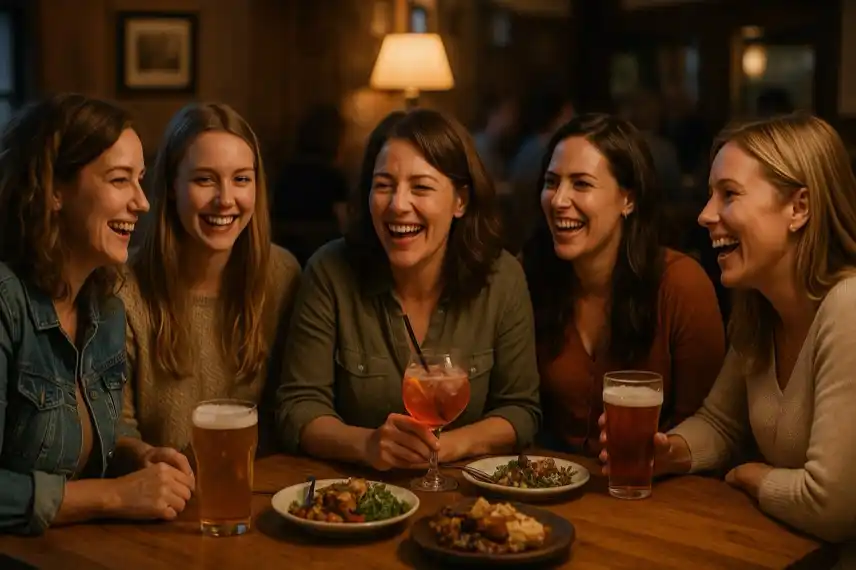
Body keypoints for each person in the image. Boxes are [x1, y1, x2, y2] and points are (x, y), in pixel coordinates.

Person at [600, 113, 856, 567]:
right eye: (709, 194)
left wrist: (752, 476)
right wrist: (670, 453)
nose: (705, 214)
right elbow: (721, 424)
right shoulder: (759, 307)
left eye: (729, 194)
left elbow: (831, 507)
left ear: (799, 208)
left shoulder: (849, 305)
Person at [276, 109, 541, 470]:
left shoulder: (502, 277)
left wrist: (447, 446)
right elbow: (298, 407)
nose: (398, 205)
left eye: (421, 187)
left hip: (470, 498)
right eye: (383, 185)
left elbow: (521, 409)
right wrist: (366, 445)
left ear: (460, 200)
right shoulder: (330, 270)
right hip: (358, 498)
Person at [0, 93, 194, 534]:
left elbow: (88, 437)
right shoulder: (5, 301)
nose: (143, 202)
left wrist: (136, 455)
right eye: (120, 180)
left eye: (141, 179)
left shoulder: (105, 306)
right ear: (53, 192)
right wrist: (116, 496)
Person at [523, 113, 725, 456]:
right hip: (554, 485)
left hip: (660, 490)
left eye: (581, 184)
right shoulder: (529, 277)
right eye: (551, 182)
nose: (558, 200)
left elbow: (710, 424)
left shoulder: (680, 284)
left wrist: (662, 453)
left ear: (627, 199)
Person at [118, 103, 301, 457]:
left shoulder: (282, 275)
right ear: (171, 186)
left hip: (260, 487)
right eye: (204, 179)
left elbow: (291, 409)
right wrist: (145, 460)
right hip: (160, 495)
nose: (226, 200)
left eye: (241, 179)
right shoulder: (124, 287)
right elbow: (118, 428)